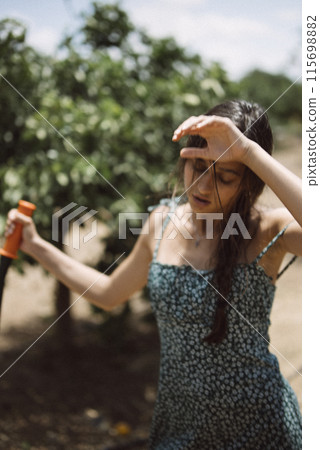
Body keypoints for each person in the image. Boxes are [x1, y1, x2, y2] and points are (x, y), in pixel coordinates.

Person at [5, 100, 302, 449]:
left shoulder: (268, 229)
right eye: (198, 166)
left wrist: (249, 151)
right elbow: (109, 293)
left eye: (225, 176)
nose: (204, 187)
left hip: (260, 429)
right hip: (179, 426)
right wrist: (35, 244)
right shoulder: (161, 222)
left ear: (249, 182)